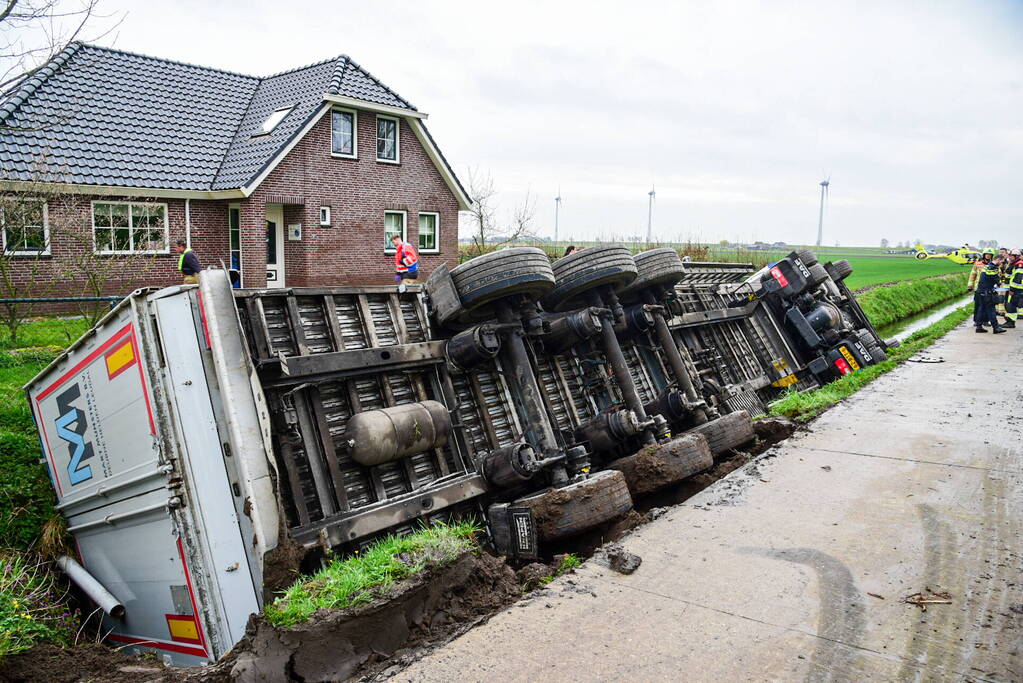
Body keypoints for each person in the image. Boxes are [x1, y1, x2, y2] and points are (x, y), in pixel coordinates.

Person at [973, 254, 1005, 333]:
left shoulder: (987, 266)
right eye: (1001, 262)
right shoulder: (993, 268)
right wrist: (999, 282)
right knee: (991, 309)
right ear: (998, 259)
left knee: (981, 308)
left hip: (980, 291)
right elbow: (997, 281)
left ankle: (979, 327)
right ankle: (996, 327)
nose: (1001, 264)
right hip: (987, 292)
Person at [967, 251, 991, 327]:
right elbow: (973, 274)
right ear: (984, 255)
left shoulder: (992, 264)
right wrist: (970, 286)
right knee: (978, 305)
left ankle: (986, 321)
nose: (988, 256)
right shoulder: (977, 263)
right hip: (978, 288)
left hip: (988, 288)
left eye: (990, 255)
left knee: (988, 305)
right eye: (987, 254)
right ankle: (977, 321)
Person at [1003, 250, 1023, 329]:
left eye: (1011, 255)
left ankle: (1011, 322)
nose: (1009, 257)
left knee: (1011, 305)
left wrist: (1012, 289)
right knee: (1009, 304)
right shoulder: (1013, 263)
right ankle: (1009, 321)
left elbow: (1017, 278)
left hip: (1016, 289)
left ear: (1016, 256)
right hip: (1012, 289)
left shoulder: (1019, 264)